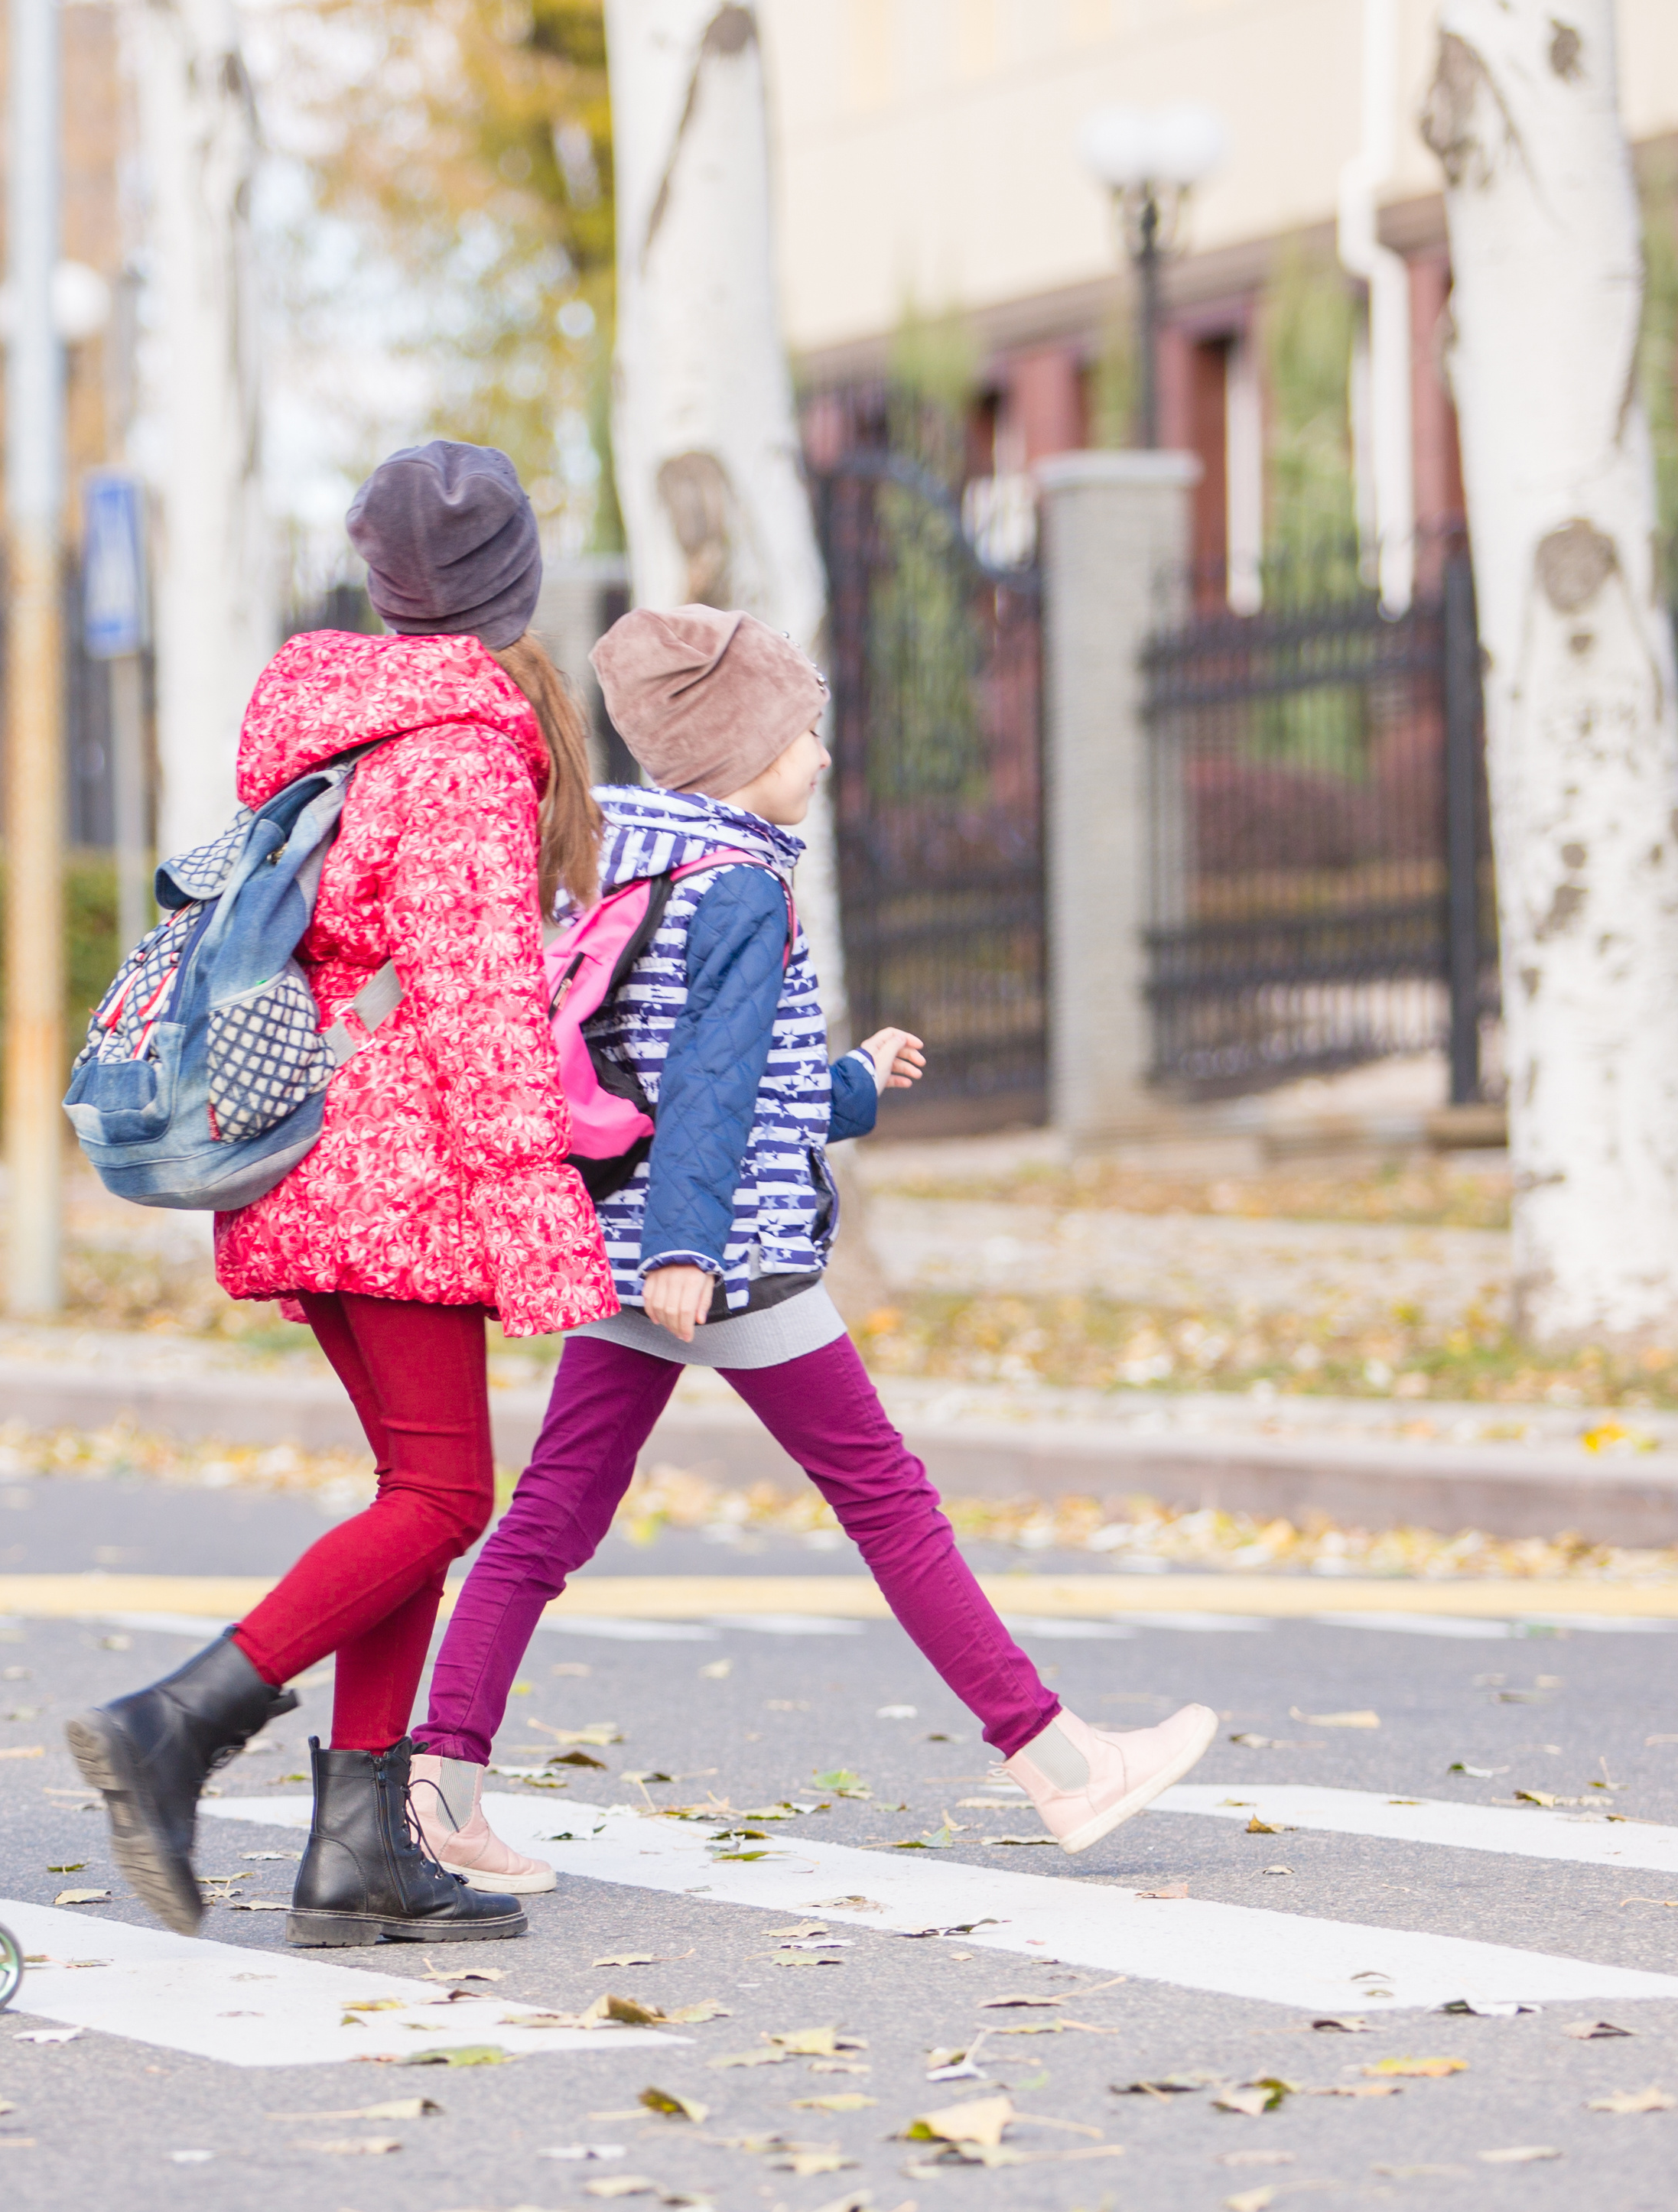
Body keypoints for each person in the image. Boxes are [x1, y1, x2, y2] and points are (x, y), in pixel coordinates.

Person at [399, 605, 1217, 1890]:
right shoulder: (742, 885)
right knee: (888, 1499)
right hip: (728, 1247)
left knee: (549, 1519)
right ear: (740, 751)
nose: (823, 760)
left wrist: (847, 1082)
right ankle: (1059, 1764)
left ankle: (440, 1784)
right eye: (804, 735)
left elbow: (708, 1068)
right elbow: (716, 1086)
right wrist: (689, 1251)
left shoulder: (624, 858)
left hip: (623, 1235)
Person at [68, 440, 611, 1950]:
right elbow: (484, 1001)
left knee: (415, 1499)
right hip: (408, 1176)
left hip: (315, 1156)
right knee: (445, 1497)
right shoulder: (460, 749)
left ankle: (360, 1841)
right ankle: (178, 1721)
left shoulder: (349, 727)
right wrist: (541, 1217)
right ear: (512, 588)